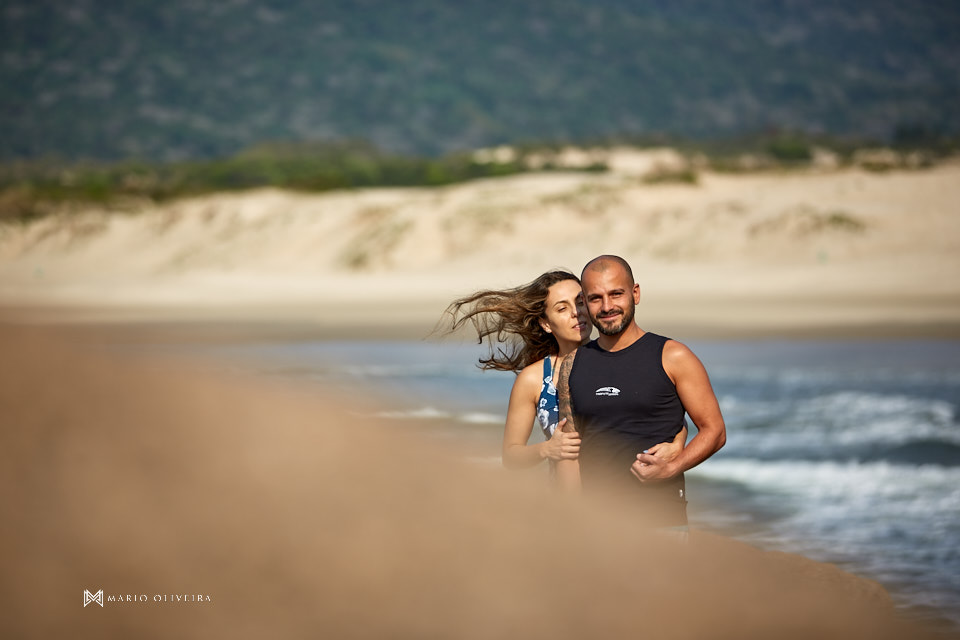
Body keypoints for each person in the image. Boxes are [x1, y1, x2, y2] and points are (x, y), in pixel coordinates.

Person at [446, 270, 687, 490]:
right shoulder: (534, 378)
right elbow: (511, 456)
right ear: (546, 324)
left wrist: (678, 444)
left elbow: (659, 415)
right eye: (562, 309)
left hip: (628, 500)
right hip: (566, 511)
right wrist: (546, 449)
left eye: (581, 302)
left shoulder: (622, 360)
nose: (576, 313)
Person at [556, 255, 726, 528]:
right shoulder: (573, 364)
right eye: (596, 298)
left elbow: (715, 431)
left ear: (635, 294)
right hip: (597, 525)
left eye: (616, 294)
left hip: (660, 522)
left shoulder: (673, 356)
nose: (607, 306)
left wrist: (673, 466)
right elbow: (569, 451)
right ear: (585, 304)